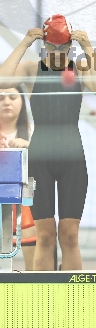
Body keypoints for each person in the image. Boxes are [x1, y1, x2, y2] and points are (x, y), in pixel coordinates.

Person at [0, 14, 96, 271]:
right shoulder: (31, 69)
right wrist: (25, 42)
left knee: (69, 235)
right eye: (52, 47)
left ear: (70, 46)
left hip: (72, 159)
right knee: (45, 236)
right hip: (40, 159)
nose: (58, 53)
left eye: (63, 47)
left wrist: (88, 47)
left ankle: (72, 293)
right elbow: (3, 81)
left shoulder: (80, 68)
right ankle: (43, 293)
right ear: (44, 45)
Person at [0, 86, 35, 270]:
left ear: (22, 101)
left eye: (12, 97)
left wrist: (30, 147)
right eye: (1, 98)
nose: (6, 102)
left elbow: (50, 172)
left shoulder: (34, 131)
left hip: (27, 202)